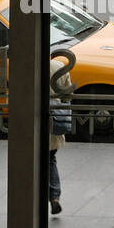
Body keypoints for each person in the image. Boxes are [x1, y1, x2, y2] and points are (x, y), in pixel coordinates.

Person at [48, 54, 74, 215]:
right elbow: (67, 95)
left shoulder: (27, 65)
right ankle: (54, 196)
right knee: (50, 159)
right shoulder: (60, 67)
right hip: (55, 117)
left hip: (32, 119)